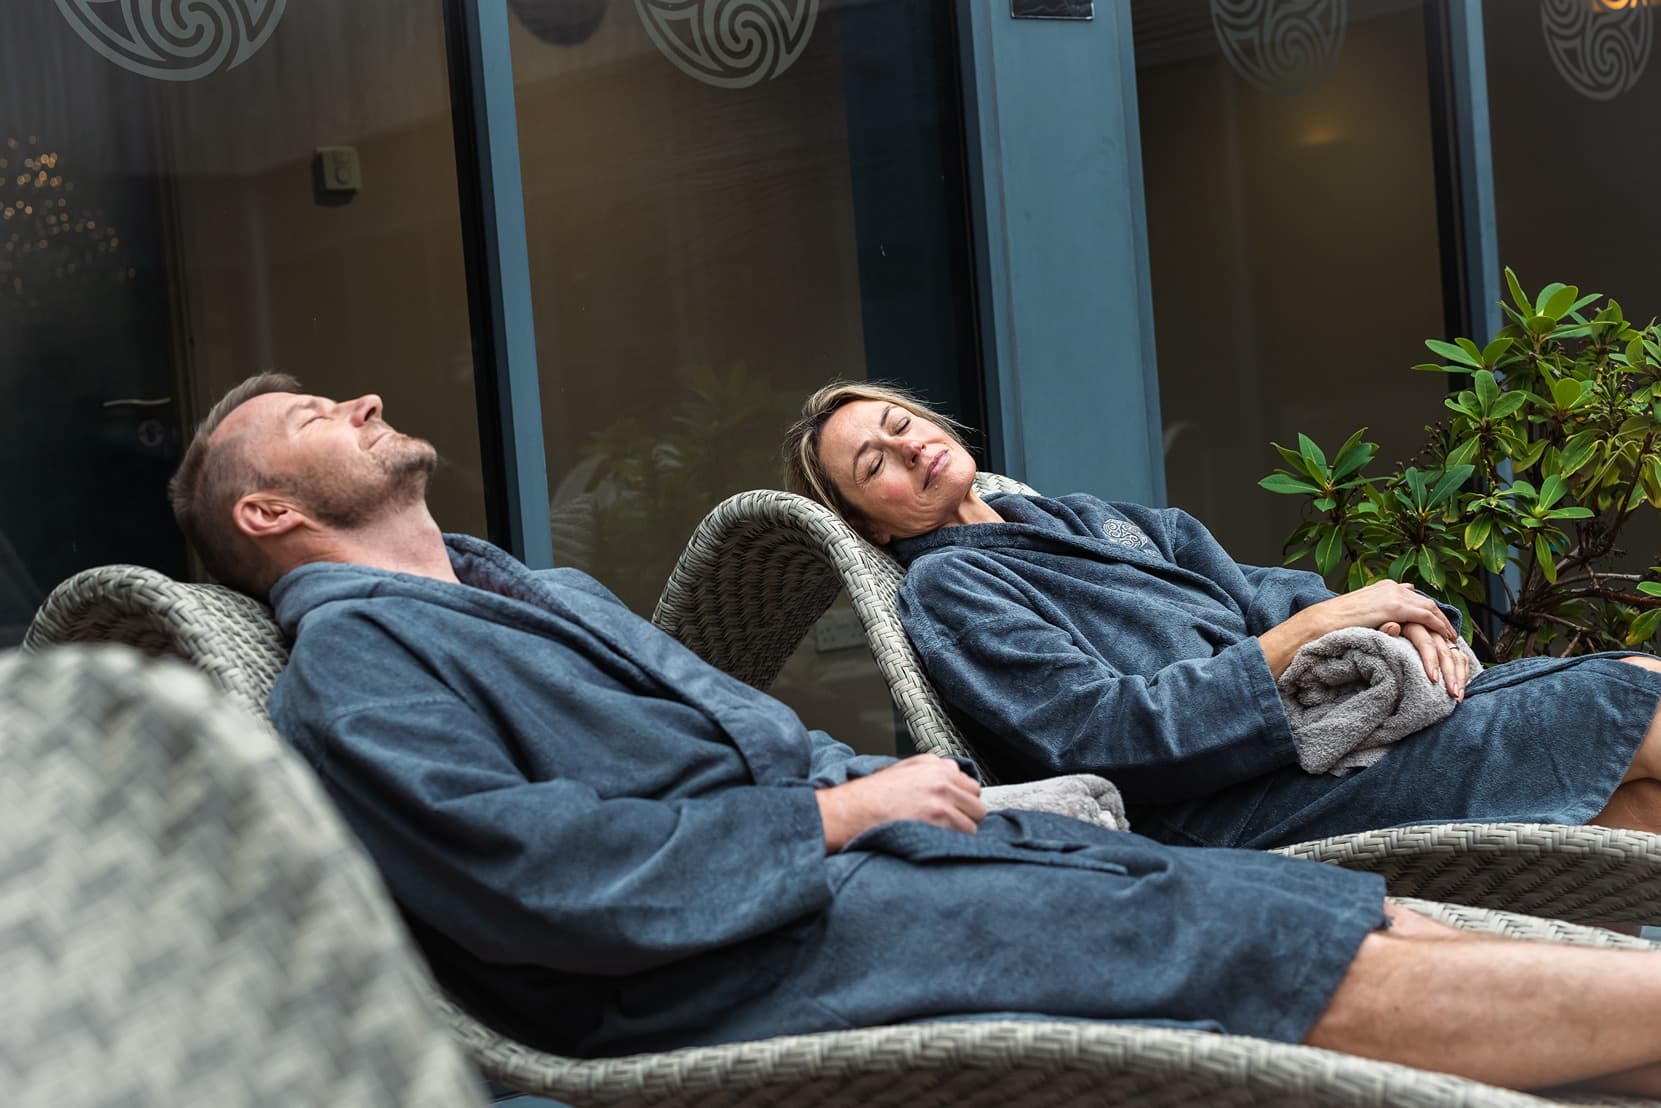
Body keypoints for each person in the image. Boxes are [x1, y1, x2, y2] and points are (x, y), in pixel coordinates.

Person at [167, 373, 1661, 1094]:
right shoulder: (356, 667)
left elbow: (754, 739)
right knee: (1215, 937)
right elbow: (522, 870)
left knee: (1285, 901)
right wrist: (826, 818)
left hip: (857, 883)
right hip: (724, 960)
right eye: (314, 410)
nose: (362, 398)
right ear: (267, 512)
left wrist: (905, 798)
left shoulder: (523, 593)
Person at [783, 381, 1661, 849]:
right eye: (875, 464)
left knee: (1635, 802)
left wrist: (1382, 624)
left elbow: (1264, 590)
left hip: (1346, 739)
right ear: (868, 520)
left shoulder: (1091, 519)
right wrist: (1300, 638)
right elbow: (1099, 734)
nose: (906, 445)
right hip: (1240, 807)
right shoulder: (949, 591)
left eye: (902, 423)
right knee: (1623, 691)